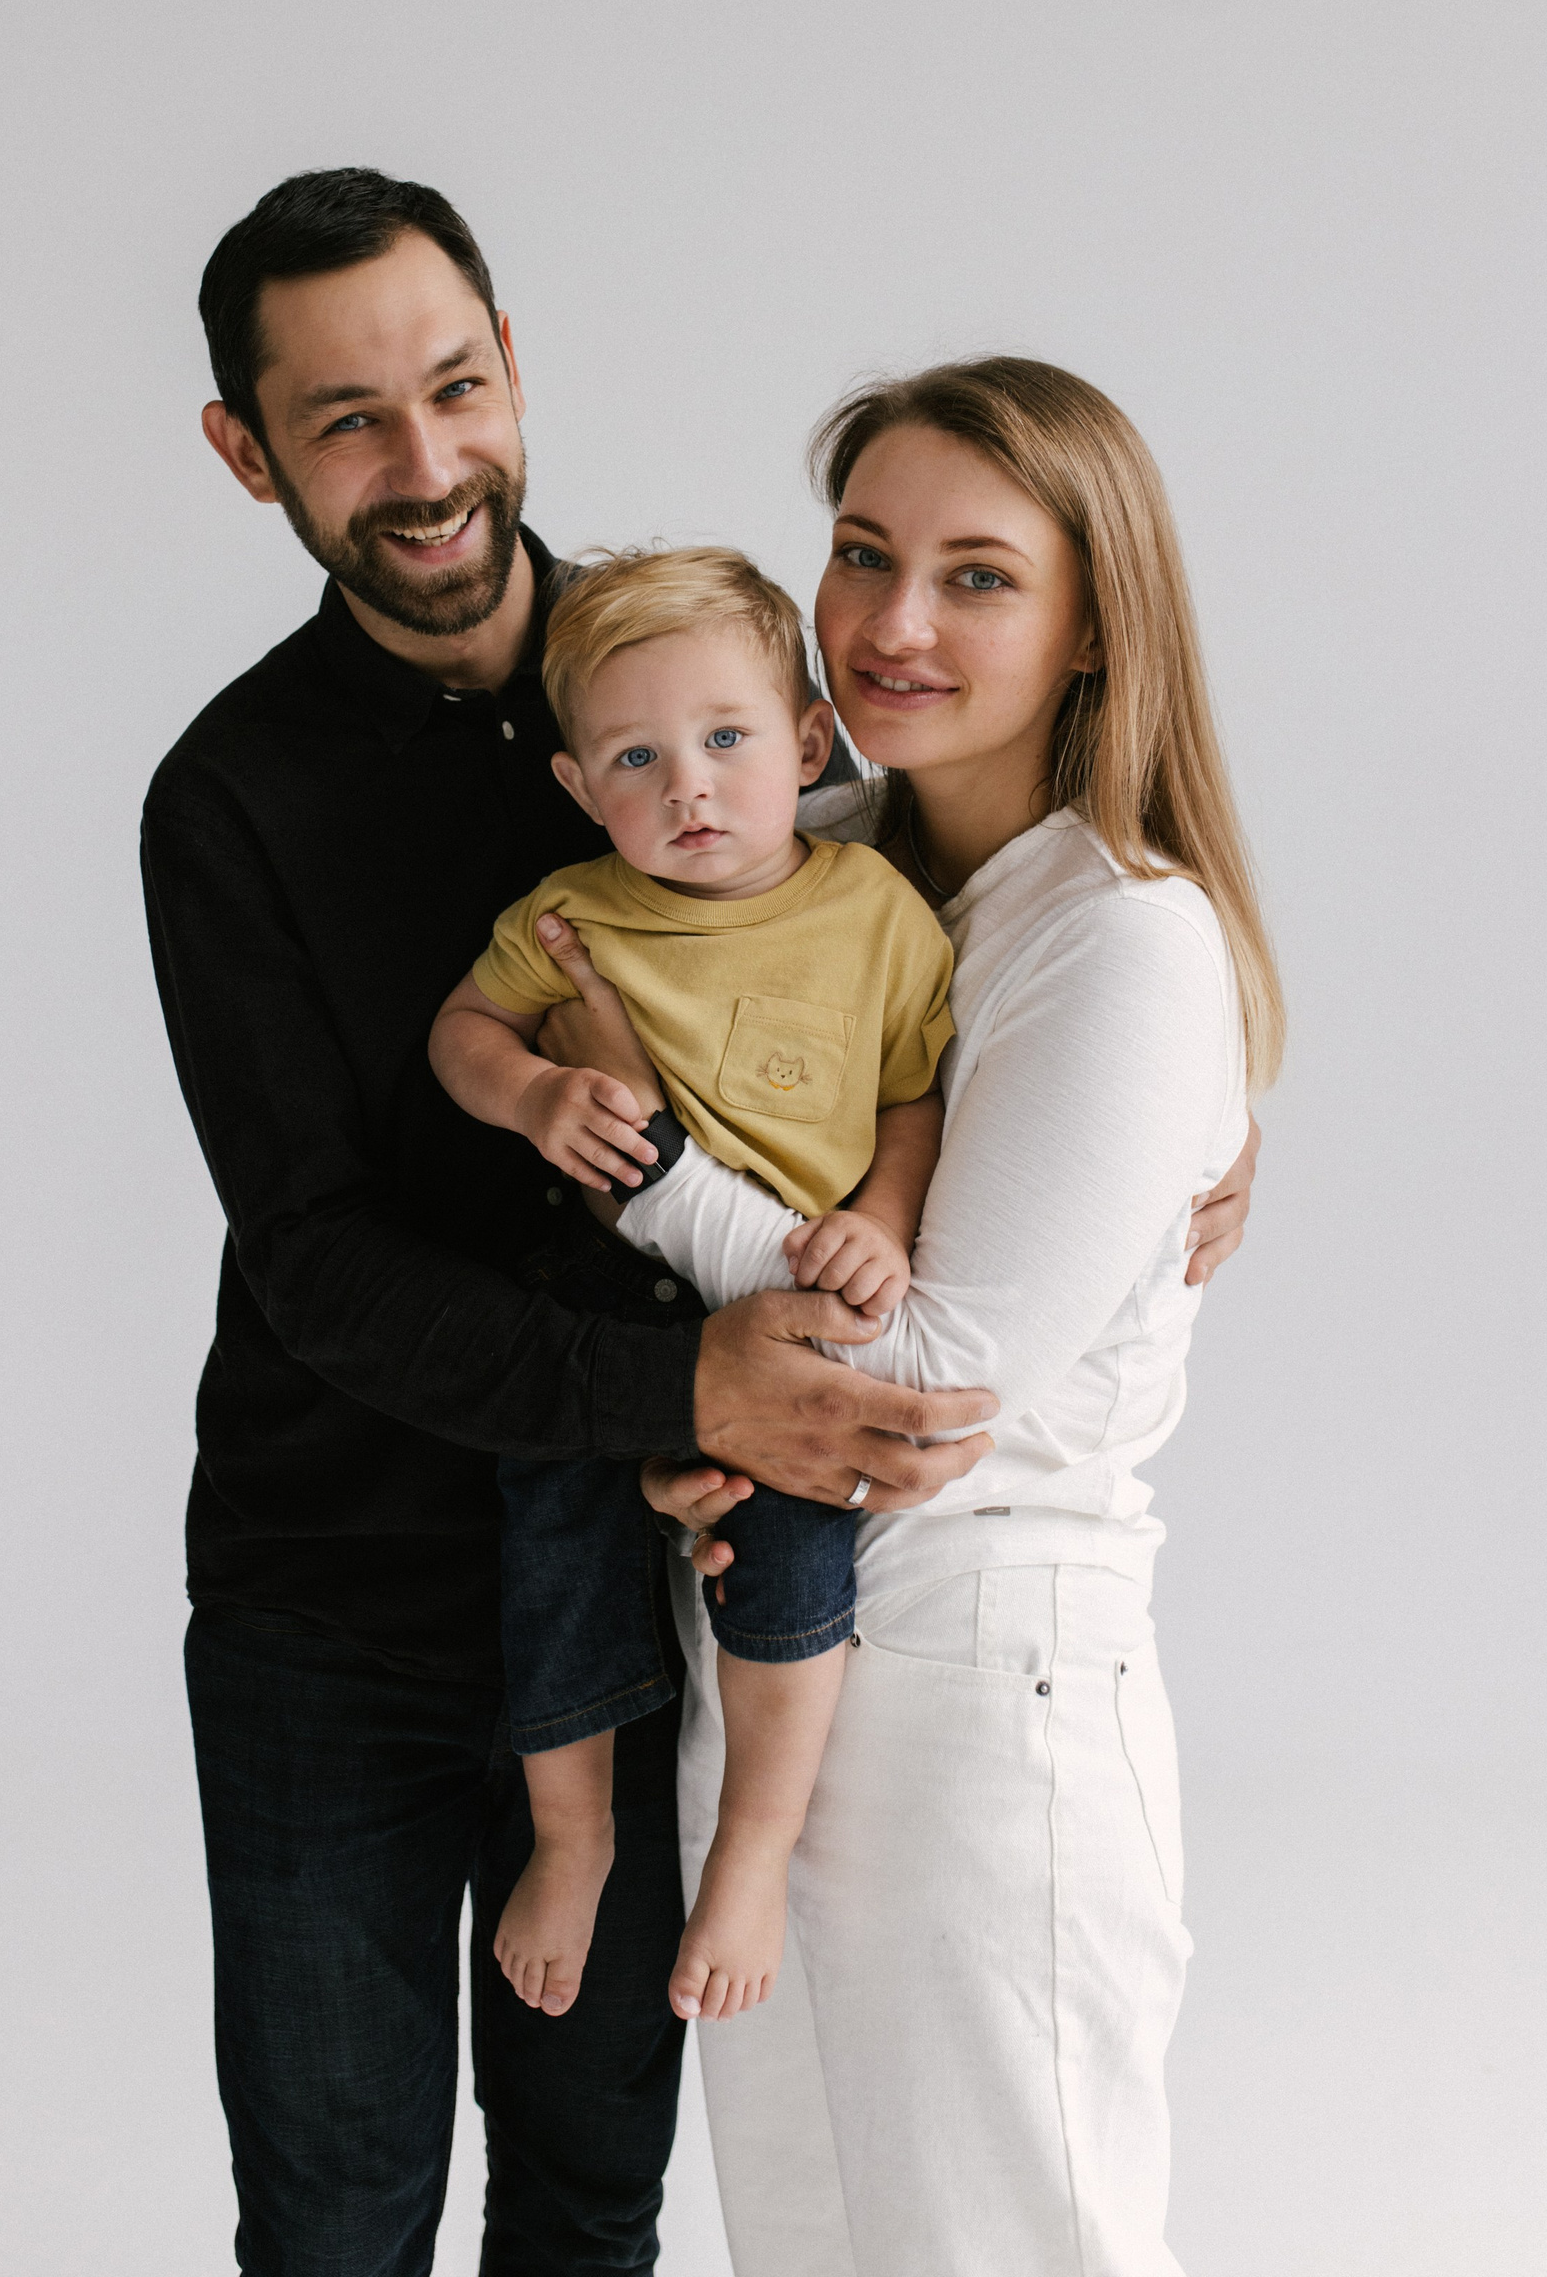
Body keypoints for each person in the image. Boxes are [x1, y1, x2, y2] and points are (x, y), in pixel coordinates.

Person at [138, 166, 1002, 2277]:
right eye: (347, 421)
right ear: (246, 452)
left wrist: (1202, 1107)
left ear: (514, 367)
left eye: (455, 386)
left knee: (593, 2208)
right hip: (335, 1605)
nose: (428, 464)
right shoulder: (231, 797)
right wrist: (683, 1382)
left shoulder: (696, 666)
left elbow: (969, 895)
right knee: (337, 2224)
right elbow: (316, 1259)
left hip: (640, 1602)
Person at [544, 355, 1278, 2275]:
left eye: (978, 576)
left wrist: (643, 1164)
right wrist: (685, 1416)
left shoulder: (1122, 935)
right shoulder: (814, 869)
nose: (893, 623)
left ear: (1096, 620)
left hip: (983, 1696)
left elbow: (933, 1382)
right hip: (776, 1664)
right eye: (864, 554)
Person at [428, 546, 955, 2027]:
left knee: (795, 1550)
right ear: (578, 786)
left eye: (726, 739)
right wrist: (533, 1093)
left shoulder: (876, 910)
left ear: (808, 741)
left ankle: (753, 1849)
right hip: (604, 1306)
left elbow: (912, 1095)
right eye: (636, 759)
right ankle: (575, 1834)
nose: (689, 789)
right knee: (554, 1523)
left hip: (783, 1305)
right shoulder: (573, 916)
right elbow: (463, 1031)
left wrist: (883, 1220)